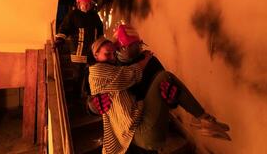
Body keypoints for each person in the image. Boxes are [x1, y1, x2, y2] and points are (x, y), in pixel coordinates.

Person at [90, 24, 231, 153]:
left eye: (137, 45)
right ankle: (203, 118)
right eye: (129, 46)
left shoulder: (150, 61)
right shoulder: (113, 67)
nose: (135, 49)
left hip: (146, 126)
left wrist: (171, 98)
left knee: (165, 77)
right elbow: (96, 91)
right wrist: (93, 105)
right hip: (127, 132)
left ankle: (204, 119)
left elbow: (169, 95)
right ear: (120, 48)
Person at [89, 36, 153, 154]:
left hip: (133, 111)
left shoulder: (116, 64)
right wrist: (92, 105)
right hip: (126, 120)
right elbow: (128, 75)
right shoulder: (97, 71)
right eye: (108, 54)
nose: (112, 57)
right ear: (96, 55)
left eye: (115, 53)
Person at [54, 0, 103, 95]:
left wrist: (101, 43)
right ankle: (76, 95)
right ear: (78, 4)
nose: (86, 6)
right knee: (78, 75)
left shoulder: (94, 16)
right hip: (78, 52)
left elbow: (100, 30)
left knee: (91, 74)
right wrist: (60, 39)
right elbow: (65, 28)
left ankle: (89, 94)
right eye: (84, 4)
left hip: (92, 51)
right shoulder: (73, 15)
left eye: (88, 4)